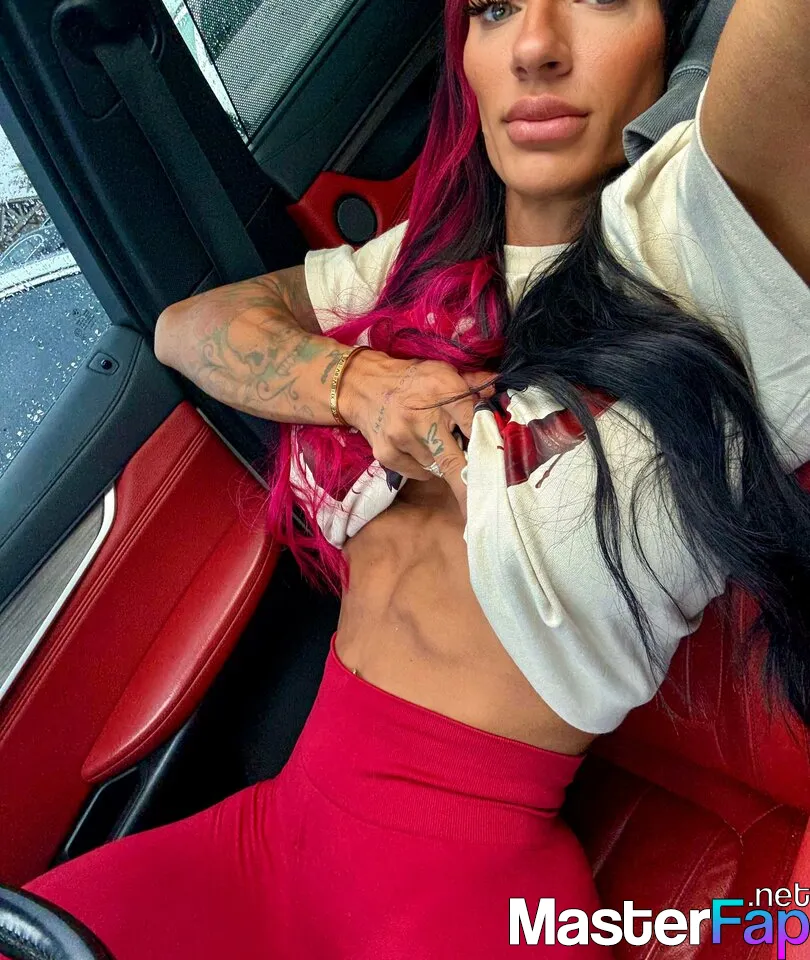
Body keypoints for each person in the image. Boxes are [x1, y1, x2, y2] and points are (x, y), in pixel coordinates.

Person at [5, 0, 810, 957]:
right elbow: (187, 328)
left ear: (672, 40)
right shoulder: (427, 261)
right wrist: (356, 383)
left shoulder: (712, 249)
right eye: (496, 9)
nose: (536, 46)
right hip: (274, 832)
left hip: (464, 891)